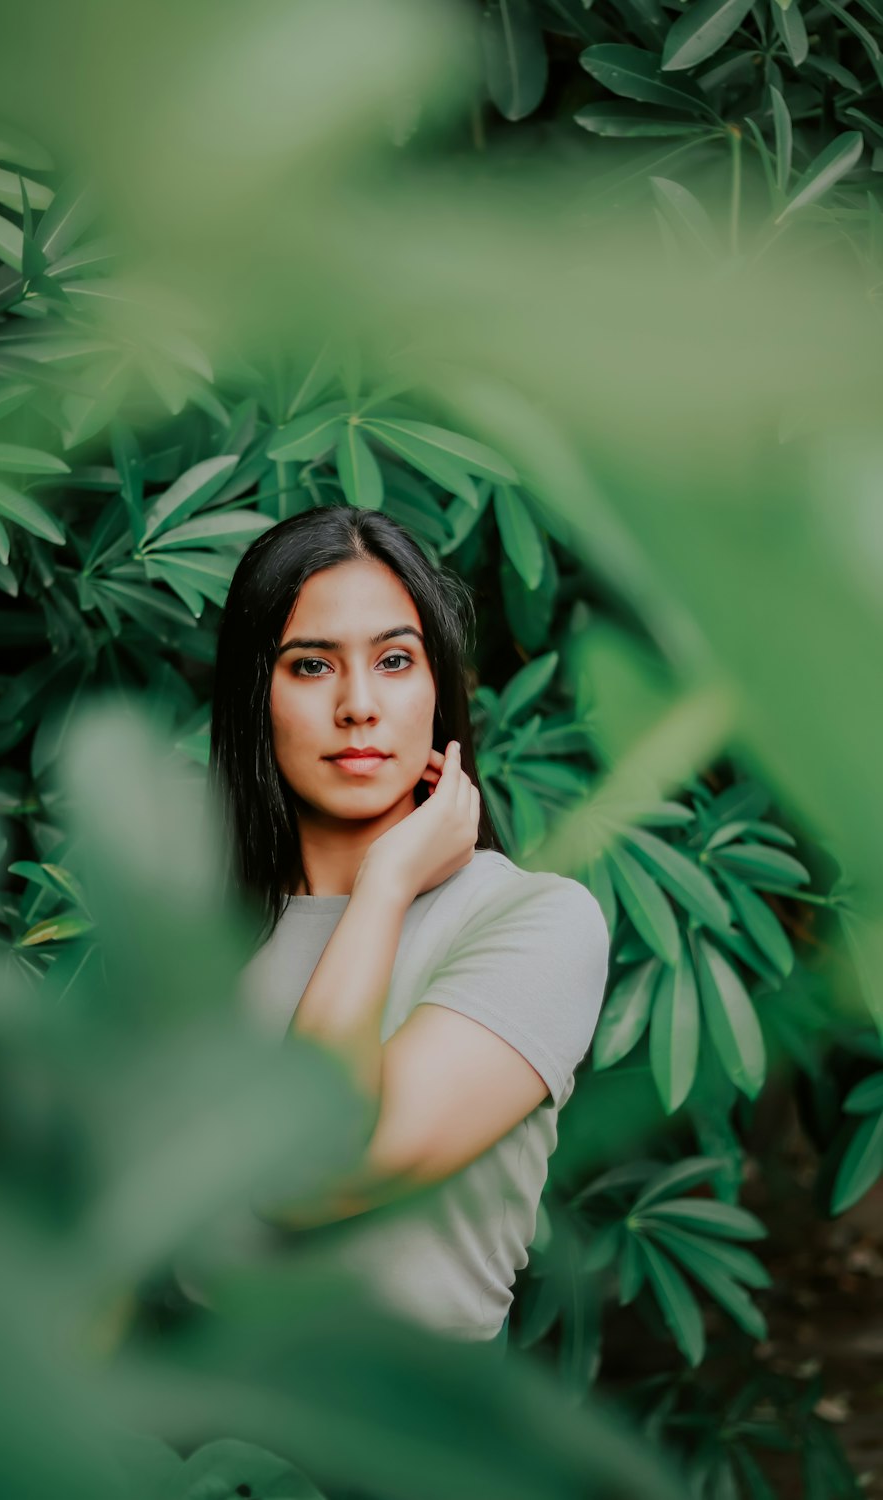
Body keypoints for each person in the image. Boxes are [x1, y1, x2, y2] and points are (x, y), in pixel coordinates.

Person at [192, 503, 610, 1351]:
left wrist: (384, 887)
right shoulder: (194, 933)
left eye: (393, 660)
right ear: (255, 697)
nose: (358, 705)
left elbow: (313, 1170)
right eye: (311, 666)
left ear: (438, 689)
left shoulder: (532, 921)